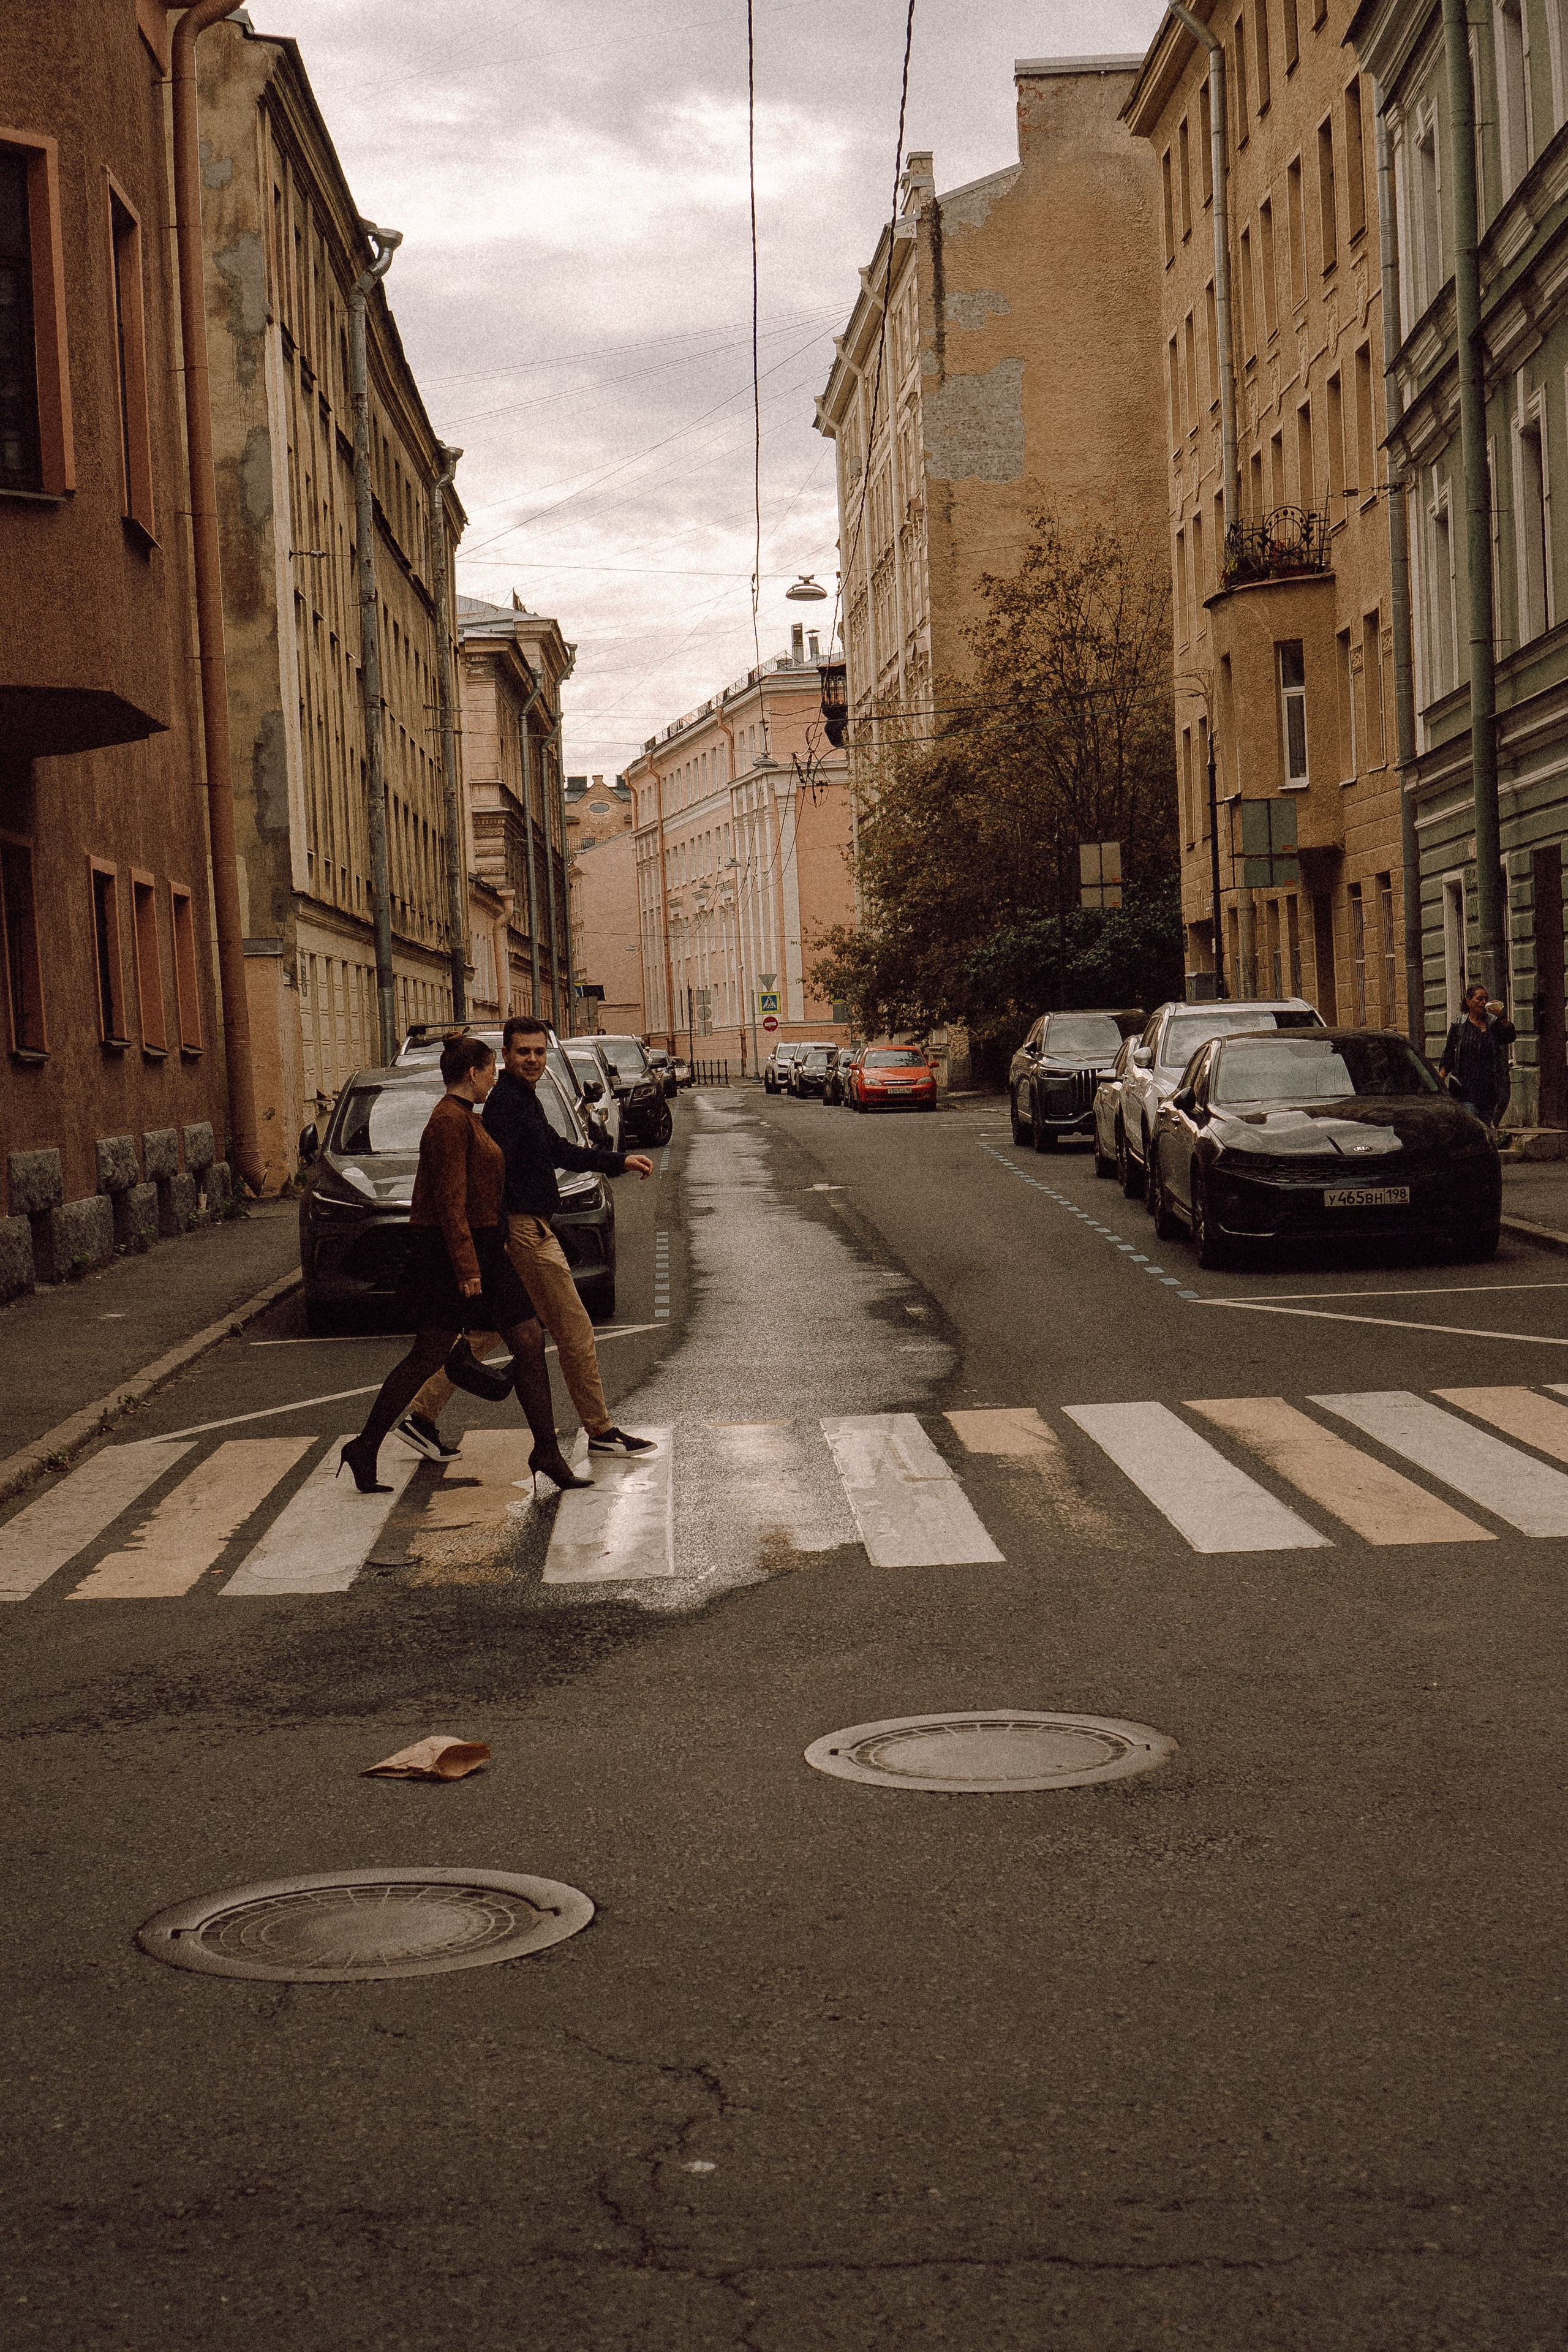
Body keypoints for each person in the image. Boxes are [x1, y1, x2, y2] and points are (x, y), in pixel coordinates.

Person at [394, 1014, 656, 1464]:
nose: (532, 1059)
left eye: (539, 1052)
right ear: (507, 1057)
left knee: (488, 1331)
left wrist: (619, 1162)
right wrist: (496, 1240)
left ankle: (421, 1417)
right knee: (574, 1328)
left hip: (527, 1227)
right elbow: (490, 1179)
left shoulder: (523, 1100)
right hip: (523, 1231)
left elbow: (557, 1149)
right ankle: (600, 1430)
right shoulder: (506, 1105)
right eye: (523, 1053)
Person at [338, 1033, 590, 1496]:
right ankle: (365, 1445)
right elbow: (450, 1204)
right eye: (491, 1070)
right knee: (428, 1355)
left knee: (530, 1341)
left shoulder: (464, 1118)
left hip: (484, 1248)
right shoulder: (448, 1123)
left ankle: (546, 1453)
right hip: (459, 1256)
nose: (495, 1078)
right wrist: (469, 1269)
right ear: (472, 1073)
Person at [1438, 984, 1517, 1128]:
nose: (1484, 1002)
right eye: (1479, 998)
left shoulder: (1493, 1023)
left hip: (1489, 1091)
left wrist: (1502, 1017)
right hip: (1466, 1090)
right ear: (1469, 1001)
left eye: (1486, 999)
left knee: (1485, 1128)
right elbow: (1449, 1053)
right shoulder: (1459, 1025)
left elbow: (1509, 1037)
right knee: (1472, 1127)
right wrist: (1439, 1080)